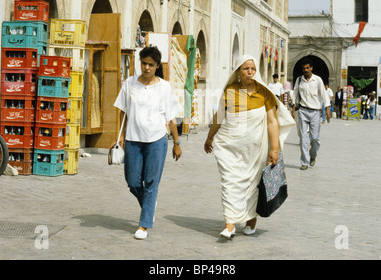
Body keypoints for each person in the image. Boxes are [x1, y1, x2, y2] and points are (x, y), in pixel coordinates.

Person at [204, 55, 294, 238]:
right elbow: (220, 117)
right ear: (238, 71)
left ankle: (251, 219)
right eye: (246, 69)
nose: (250, 72)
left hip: (256, 149)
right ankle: (229, 224)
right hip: (230, 147)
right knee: (229, 182)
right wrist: (210, 138)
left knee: (253, 184)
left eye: (253, 69)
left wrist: (274, 149)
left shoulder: (264, 93)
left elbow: (272, 122)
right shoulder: (231, 90)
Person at [113, 46, 183, 240]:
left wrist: (176, 142)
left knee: (151, 182)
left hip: (157, 140)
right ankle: (149, 204)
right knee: (133, 181)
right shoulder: (129, 83)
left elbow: (171, 116)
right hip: (133, 139)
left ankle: (143, 225)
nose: (146, 68)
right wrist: (120, 134)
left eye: (151, 64)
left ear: (157, 66)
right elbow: (122, 110)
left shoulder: (164, 87)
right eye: (143, 63)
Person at [292, 57, 330, 170]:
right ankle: (304, 161)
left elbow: (324, 95)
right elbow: (295, 95)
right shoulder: (299, 80)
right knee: (303, 137)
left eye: (308, 68)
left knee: (314, 138)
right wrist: (293, 110)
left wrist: (327, 109)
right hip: (303, 111)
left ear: (311, 68)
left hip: (315, 112)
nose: (306, 70)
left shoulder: (317, 80)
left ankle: (313, 155)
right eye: (304, 68)